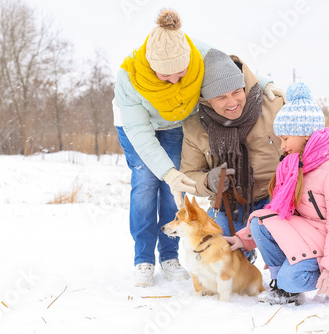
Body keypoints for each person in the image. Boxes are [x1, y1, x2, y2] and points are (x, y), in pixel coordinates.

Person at [113, 9, 284, 287]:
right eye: (165, 75)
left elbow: (230, 68)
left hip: (180, 123)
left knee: (177, 190)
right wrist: (166, 172)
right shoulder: (129, 76)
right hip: (139, 126)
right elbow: (138, 131)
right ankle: (143, 258)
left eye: (181, 73)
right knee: (146, 184)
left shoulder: (196, 51)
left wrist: (264, 83)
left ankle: (170, 255)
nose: (175, 81)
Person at [226, 82, 329, 304]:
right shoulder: (292, 166)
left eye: (286, 139)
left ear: (306, 135)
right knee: (260, 221)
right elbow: (275, 212)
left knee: (293, 279)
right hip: (307, 232)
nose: (282, 146)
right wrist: (243, 239)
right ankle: (284, 287)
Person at [179, 48, 284, 258]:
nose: (232, 102)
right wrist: (209, 181)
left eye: (237, 91)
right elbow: (188, 175)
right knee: (217, 257)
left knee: (286, 251)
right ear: (207, 100)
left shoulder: (274, 105)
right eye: (221, 97)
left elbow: (309, 141)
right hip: (231, 204)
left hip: (276, 197)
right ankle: (244, 250)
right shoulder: (195, 126)